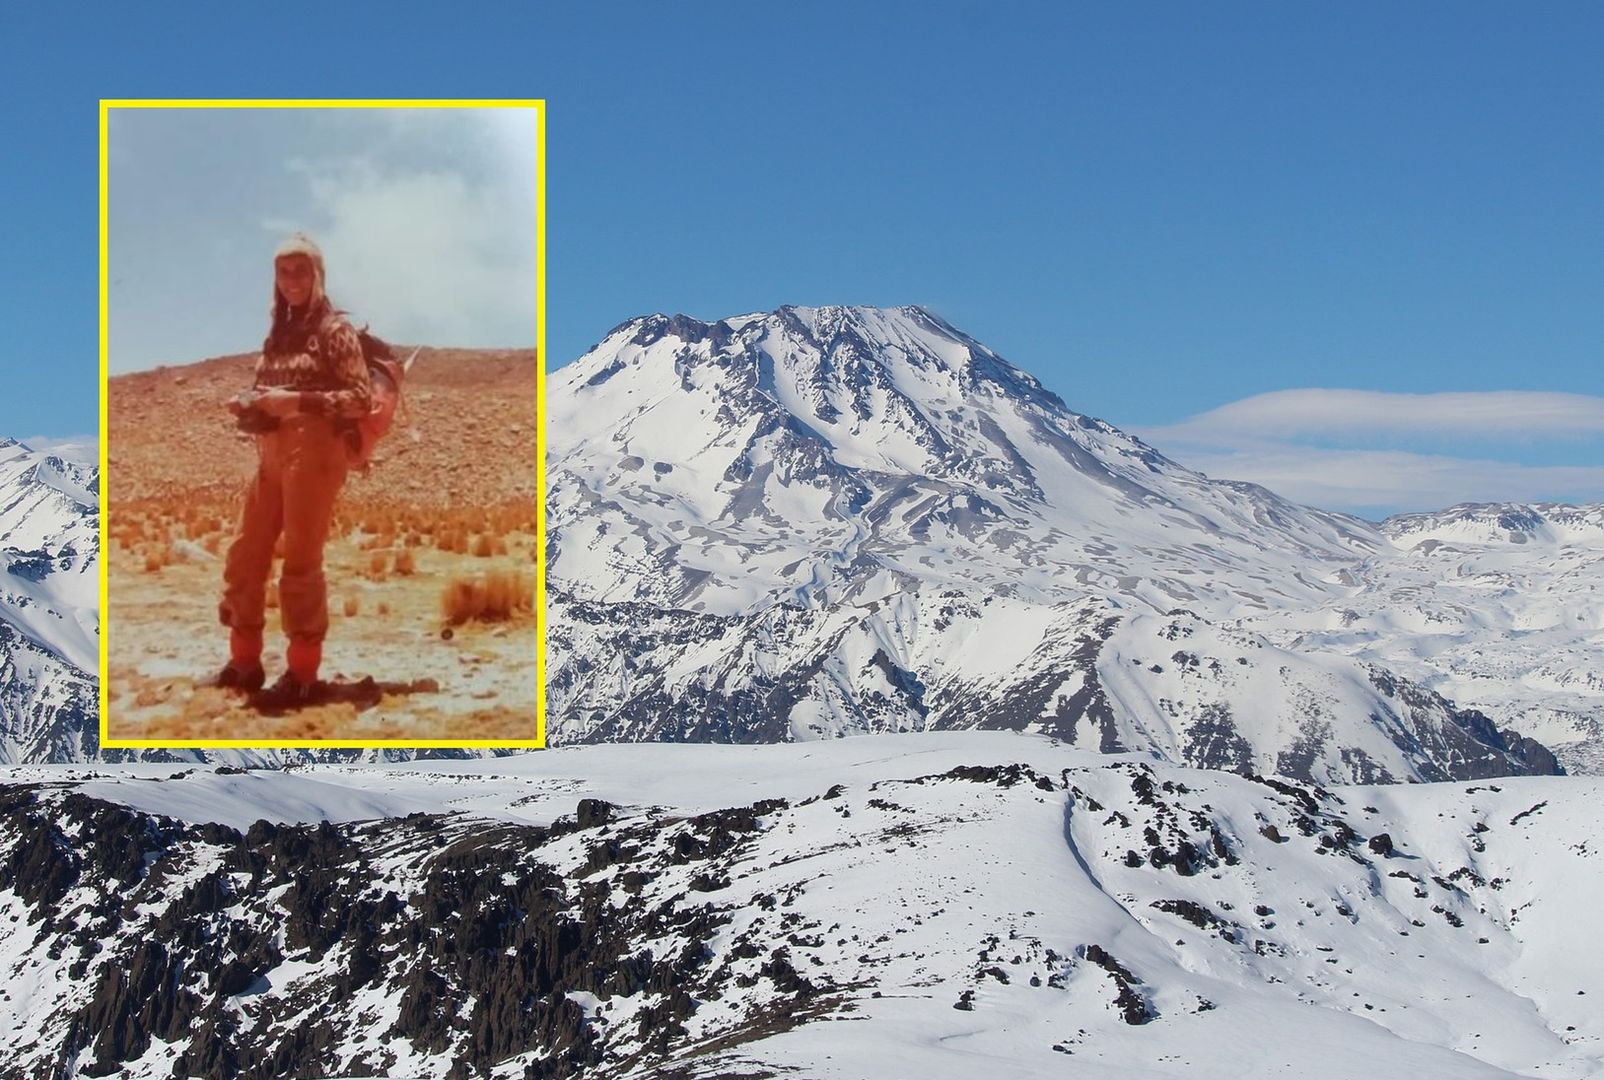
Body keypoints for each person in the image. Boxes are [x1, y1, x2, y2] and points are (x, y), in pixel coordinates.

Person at [217, 233, 371, 709]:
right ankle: (244, 664)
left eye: (301, 270)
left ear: (318, 275)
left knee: (301, 563)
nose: (292, 280)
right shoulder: (277, 333)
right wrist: (249, 407)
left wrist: (296, 401)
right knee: (246, 555)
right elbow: (266, 392)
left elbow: (361, 398)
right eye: (284, 272)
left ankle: (303, 673)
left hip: (316, 452)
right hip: (273, 454)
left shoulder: (333, 331)